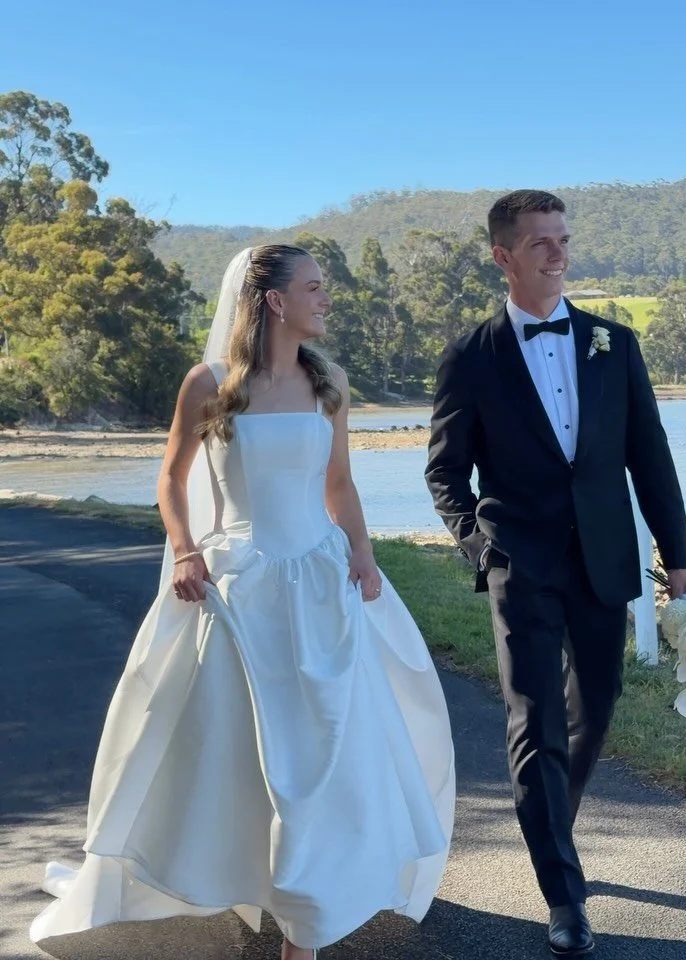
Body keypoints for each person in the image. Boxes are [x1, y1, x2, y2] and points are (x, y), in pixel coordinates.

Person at [31, 244, 455, 960]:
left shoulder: (330, 383)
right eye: (315, 288)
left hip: (322, 583)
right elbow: (171, 480)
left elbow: (340, 484)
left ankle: (305, 921)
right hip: (239, 590)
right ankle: (256, 878)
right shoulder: (210, 383)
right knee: (251, 750)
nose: (327, 299)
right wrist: (188, 550)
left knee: (328, 741)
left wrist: (362, 552)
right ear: (274, 301)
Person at [425, 191, 686, 957]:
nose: (557, 252)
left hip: (607, 559)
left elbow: (651, 457)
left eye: (562, 238)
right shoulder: (470, 357)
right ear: (503, 255)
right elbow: (445, 472)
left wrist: (678, 561)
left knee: (598, 705)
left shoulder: (615, 343)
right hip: (522, 562)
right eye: (540, 242)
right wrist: (479, 547)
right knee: (533, 718)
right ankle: (564, 893)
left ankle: (554, 824)